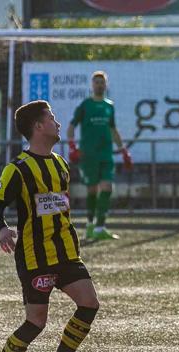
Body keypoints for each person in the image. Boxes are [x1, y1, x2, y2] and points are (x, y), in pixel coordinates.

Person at [0, 100, 100, 352]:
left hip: (67, 252)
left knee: (89, 304)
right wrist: (2, 229)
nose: (57, 123)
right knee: (36, 322)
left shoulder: (61, 164)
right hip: (36, 257)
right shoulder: (18, 168)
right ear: (38, 126)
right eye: (52, 118)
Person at [67, 71, 132, 240]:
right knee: (92, 190)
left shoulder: (109, 106)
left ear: (106, 85)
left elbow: (113, 130)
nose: (99, 85)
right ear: (92, 85)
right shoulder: (85, 105)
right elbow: (71, 126)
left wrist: (123, 149)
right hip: (89, 155)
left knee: (107, 187)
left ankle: (100, 227)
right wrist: (72, 146)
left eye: (102, 82)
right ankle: (90, 225)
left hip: (106, 154)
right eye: (96, 82)